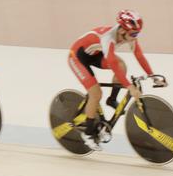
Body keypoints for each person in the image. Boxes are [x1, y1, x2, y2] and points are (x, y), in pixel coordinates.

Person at [68, 9, 164, 144]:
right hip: (77, 58)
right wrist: (130, 87)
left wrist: (152, 76)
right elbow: (112, 63)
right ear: (122, 31)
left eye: (138, 33)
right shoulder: (108, 38)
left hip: (96, 54)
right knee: (96, 94)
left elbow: (139, 55)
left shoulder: (129, 35)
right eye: (134, 33)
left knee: (122, 65)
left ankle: (111, 99)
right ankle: (88, 134)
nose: (136, 36)